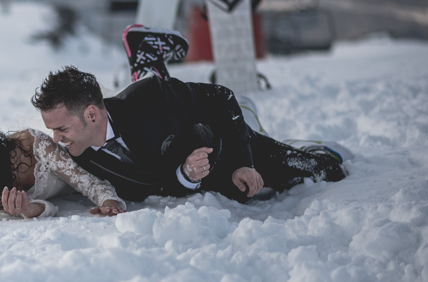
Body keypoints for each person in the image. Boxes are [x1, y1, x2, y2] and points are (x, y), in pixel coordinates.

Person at [31, 28, 347, 204]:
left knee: (325, 170)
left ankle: (297, 142)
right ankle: (145, 55)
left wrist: (244, 162)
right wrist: (184, 174)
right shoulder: (78, 153)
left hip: (226, 147)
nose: (56, 139)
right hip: (187, 163)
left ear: (91, 114)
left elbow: (222, 99)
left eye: (61, 129)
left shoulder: (149, 97)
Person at [0, 118, 127, 222]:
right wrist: (27, 209)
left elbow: (86, 181)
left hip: (92, 153)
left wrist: (108, 202)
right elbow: (47, 208)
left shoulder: (30, 146)